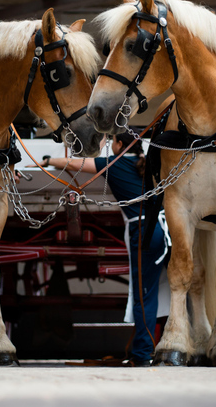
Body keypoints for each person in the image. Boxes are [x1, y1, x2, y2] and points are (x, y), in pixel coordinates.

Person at [39, 133, 170, 366]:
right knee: (152, 293)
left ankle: (142, 354)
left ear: (118, 144)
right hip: (159, 230)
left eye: (112, 142)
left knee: (143, 296)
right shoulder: (146, 163)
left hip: (143, 231)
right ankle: (145, 350)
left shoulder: (114, 163)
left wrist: (48, 160)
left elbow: (75, 163)